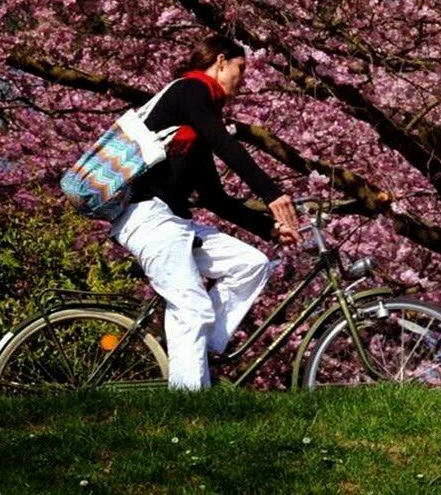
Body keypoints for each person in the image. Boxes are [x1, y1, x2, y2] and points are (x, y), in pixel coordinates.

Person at [108, 34, 303, 390]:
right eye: (240, 69)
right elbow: (223, 142)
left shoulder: (189, 131)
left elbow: (214, 198)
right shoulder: (189, 92)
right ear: (220, 61)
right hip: (147, 220)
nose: (242, 80)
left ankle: (197, 352)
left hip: (173, 223)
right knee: (192, 309)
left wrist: (269, 229)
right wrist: (272, 192)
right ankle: (188, 404)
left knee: (251, 265)